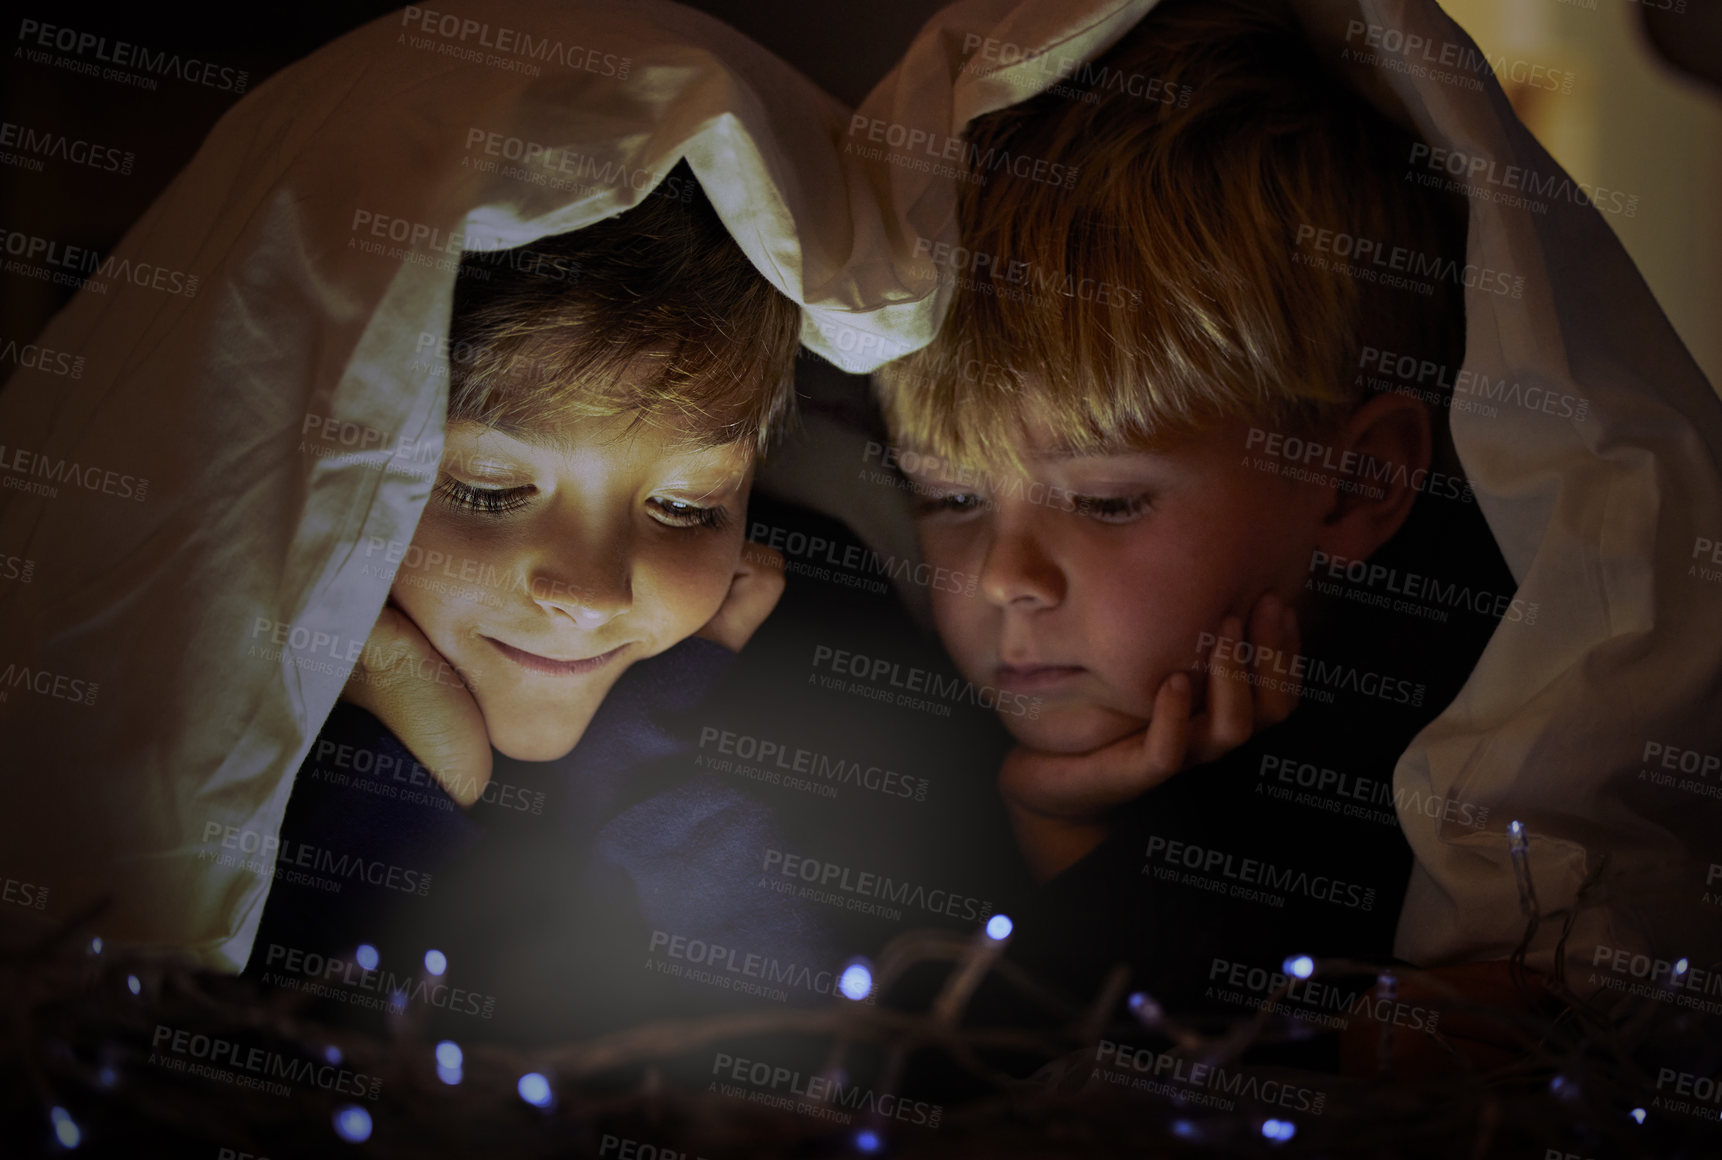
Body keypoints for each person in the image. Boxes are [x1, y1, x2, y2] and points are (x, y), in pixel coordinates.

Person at [870, 0, 1519, 1017]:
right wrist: (1058, 824)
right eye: (949, 495)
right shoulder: (898, 741)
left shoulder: (1474, 758)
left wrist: (1080, 854)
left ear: (1356, 484)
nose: (1004, 576)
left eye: (1108, 500)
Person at [242, 163, 835, 1039]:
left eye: (684, 508)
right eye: (487, 490)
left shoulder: (803, 680)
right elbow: (269, 1047)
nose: (592, 593)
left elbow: (793, 1053)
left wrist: (644, 735)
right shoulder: (216, 758)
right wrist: (407, 749)